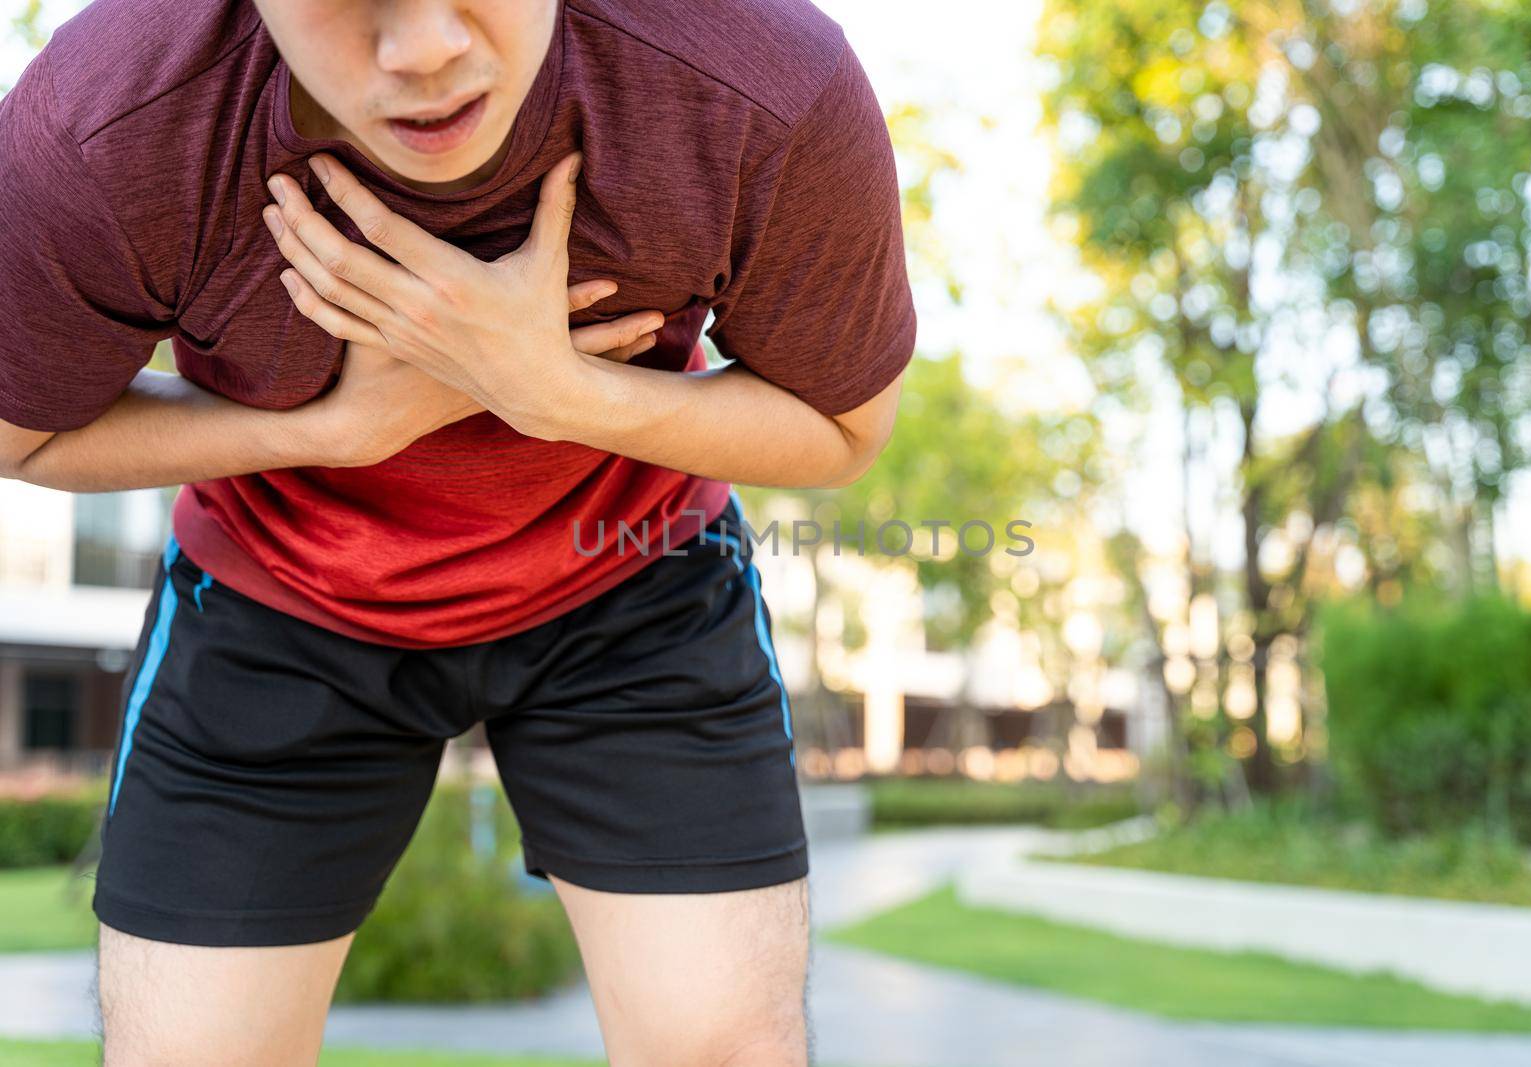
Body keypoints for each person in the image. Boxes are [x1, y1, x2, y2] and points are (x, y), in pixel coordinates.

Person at [0, 0, 916, 1063]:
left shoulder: (760, 75)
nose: (426, 47)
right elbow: (23, 437)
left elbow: (844, 430)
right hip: (277, 593)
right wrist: (335, 429)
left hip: (634, 577)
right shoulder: (100, 125)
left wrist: (552, 390)